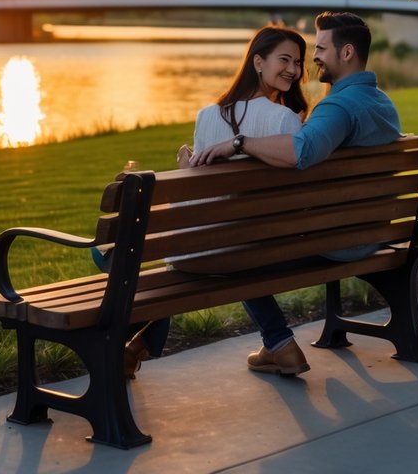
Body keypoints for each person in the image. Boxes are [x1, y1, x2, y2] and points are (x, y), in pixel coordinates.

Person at [190, 11, 400, 376]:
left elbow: (300, 151)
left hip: (338, 239)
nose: (312, 60)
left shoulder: (338, 107)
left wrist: (239, 141)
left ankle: (279, 342)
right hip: (375, 231)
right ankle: (279, 343)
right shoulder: (381, 102)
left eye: (319, 49)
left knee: (236, 251)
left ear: (346, 52)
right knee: (233, 241)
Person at [122, 25, 310, 379]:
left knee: (192, 257)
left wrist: (185, 172)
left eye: (298, 63)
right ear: (258, 61)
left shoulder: (207, 116)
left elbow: (201, 201)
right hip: (260, 248)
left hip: (204, 251)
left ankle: (135, 348)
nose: (294, 70)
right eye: (285, 60)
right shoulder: (284, 119)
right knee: (231, 247)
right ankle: (281, 344)